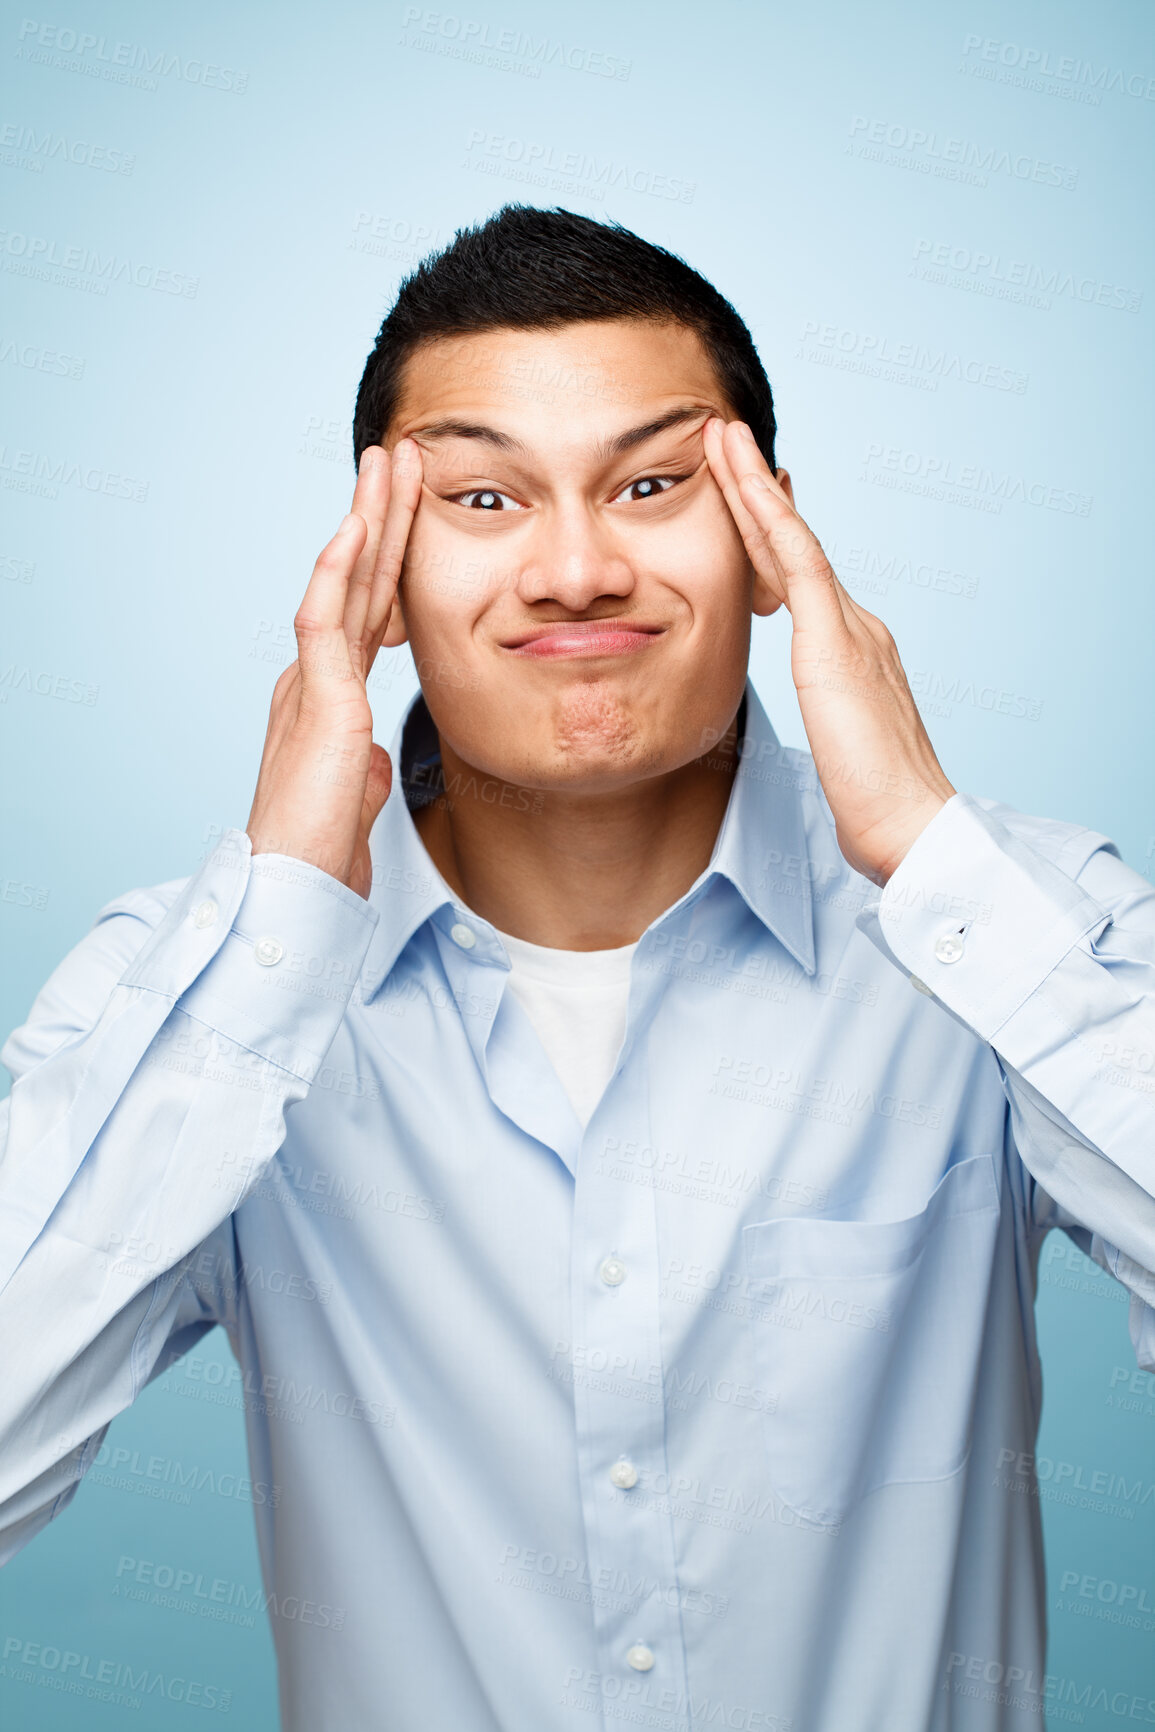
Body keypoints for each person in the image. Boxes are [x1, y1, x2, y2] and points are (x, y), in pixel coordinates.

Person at [1, 203, 1152, 1732]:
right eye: (482, 496)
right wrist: (276, 930)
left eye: (655, 483)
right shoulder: (199, 993)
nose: (573, 569)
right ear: (381, 570)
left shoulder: (1011, 932)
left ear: (768, 532)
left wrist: (931, 858)